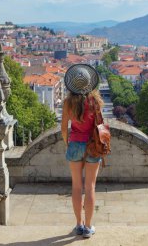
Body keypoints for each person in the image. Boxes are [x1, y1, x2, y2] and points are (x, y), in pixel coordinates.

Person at [61, 64, 104, 238]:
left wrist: (68, 143)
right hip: (92, 146)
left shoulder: (67, 103)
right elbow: (100, 127)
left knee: (76, 187)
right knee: (90, 187)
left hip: (75, 145)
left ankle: (78, 224)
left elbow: (64, 128)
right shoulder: (95, 102)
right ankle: (88, 227)